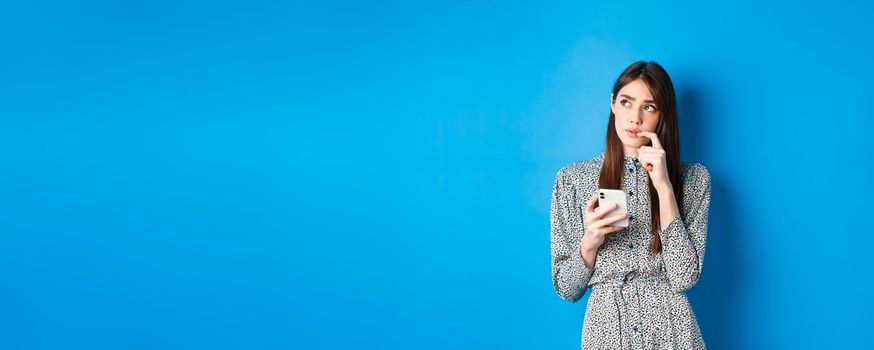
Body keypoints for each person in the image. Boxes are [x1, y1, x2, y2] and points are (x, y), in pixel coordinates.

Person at [550, 60, 712, 349]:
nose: (635, 118)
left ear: (662, 116)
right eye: (626, 102)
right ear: (613, 104)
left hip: (672, 333)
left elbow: (684, 277)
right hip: (607, 332)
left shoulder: (693, 180)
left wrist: (663, 187)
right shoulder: (572, 180)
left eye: (649, 107)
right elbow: (566, 288)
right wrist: (589, 243)